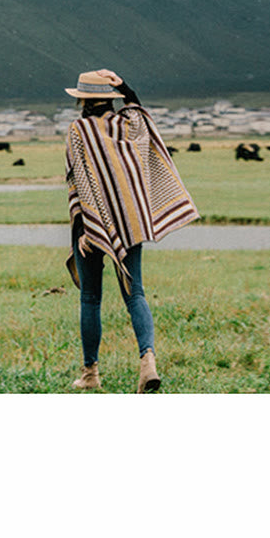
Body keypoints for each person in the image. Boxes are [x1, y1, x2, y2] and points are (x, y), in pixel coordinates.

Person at [64, 69, 200, 392]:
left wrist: (85, 229)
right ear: (109, 98)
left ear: (84, 100)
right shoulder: (129, 124)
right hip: (130, 221)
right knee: (135, 292)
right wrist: (124, 86)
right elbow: (139, 110)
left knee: (90, 298)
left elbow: (79, 181)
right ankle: (147, 361)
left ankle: (90, 374)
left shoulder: (78, 130)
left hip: (92, 225)